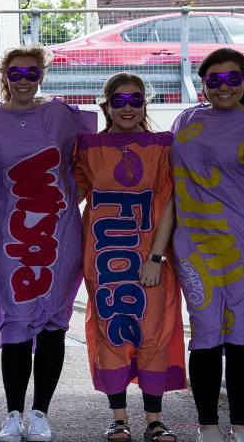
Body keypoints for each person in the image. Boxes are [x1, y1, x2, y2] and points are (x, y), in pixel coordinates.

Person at [0, 46, 97, 442]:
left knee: (53, 321)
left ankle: (41, 414)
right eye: (15, 73)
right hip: (8, 237)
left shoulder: (61, 116)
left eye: (31, 73)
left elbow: (93, 159)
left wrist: (76, 198)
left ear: (41, 75)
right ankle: (13, 414)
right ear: (4, 76)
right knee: (16, 321)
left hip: (57, 235)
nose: (23, 80)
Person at [171, 48, 244, 442]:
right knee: (204, 332)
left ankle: (242, 426)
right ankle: (208, 427)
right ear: (203, 84)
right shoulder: (186, 121)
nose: (223, 87)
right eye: (214, 80)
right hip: (195, 245)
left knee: (241, 335)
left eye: (232, 79)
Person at [74, 73, 184, 442]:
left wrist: (155, 257)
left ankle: (154, 419)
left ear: (144, 105)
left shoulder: (164, 144)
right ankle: (118, 418)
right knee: (110, 332)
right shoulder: (87, 145)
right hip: (104, 258)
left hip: (148, 258)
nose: (127, 108)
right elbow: (66, 196)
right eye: (118, 101)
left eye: (134, 100)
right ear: (106, 106)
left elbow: (169, 202)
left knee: (155, 330)